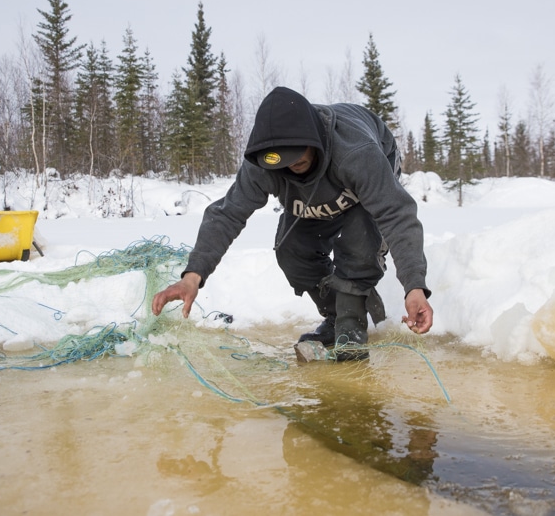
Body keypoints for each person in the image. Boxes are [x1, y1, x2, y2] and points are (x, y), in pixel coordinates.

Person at [151, 86, 433, 360]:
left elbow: (397, 214)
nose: (288, 166)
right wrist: (192, 278)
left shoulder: (357, 154)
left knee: (359, 243)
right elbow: (228, 214)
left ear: (314, 142)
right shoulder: (264, 163)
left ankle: (351, 324)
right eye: (280, 162)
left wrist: (415, 287)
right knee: (292, 251)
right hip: (312, 197)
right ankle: (337, 315)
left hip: (370, 161)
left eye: (296, 159)